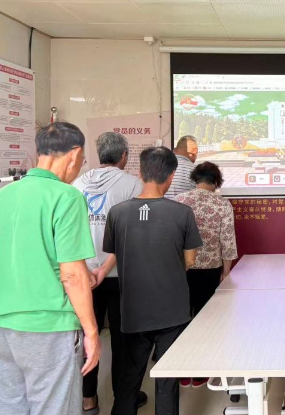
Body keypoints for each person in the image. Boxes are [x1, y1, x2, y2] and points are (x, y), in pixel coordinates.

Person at [0, 122, 101, 415]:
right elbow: (72, 275)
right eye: (82, 160)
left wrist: (2, 311)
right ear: (74, 154)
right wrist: (92, 333)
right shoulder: (66, 196)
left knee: (10, 408)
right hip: (48, 328)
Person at [105, 146, 203, 415]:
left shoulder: (117, 213)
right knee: (167, 379)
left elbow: (115, 254)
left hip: (133, 308)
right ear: (171, 175)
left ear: (140, 172)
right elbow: (190, 260)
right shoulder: (182, 213)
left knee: (129, 376)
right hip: (172, 309)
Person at [72, 132, 146, 414]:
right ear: (124, 156)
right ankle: (122, 399)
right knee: (122, 340)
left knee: (87, 335)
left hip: (83, 276)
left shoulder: (78, 184)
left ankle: (88, 399)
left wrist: (88, 269)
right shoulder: (133, 185)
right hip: (119, 276)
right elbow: (132, 235)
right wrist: (105, 268)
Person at [175, 161, 238, 389]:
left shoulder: (179, 200)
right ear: (216, 181)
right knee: (206, 320)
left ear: (195, 178)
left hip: (181, 269)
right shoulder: (221, 204)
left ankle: (182, 372)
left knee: (181, 319)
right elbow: (227, 240)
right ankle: (202, 371)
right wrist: (226, 271)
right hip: (210, 270)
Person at [165, 135, 198, 200]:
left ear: (174, 150)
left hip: (162, 206)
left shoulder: (162, 166)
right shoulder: (196, 170)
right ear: (195, 151)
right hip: (185, 206)